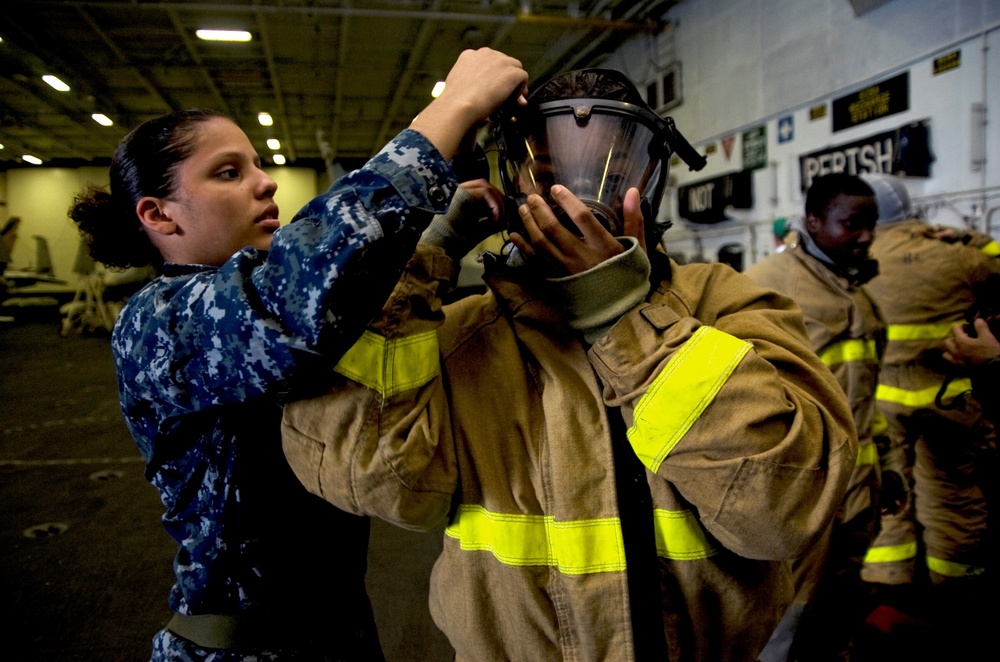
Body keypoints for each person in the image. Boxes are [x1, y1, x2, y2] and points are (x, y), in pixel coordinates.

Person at [281, 69, 858, 661]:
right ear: (512, 185)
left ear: (651, 181)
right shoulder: (462, 337)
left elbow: (785, 510)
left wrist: (624, 316)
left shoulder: (728, 304)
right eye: (552, 178)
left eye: (612, 173)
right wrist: (418, 258)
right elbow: (369, 480)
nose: (580, 202)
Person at [67, 48, 528, 661]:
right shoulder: (158, 322)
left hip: (336, 637)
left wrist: (438, 236)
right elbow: (293, 309)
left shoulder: (263, 298)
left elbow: (342, 311)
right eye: (228, 172)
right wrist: (449, 110)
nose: (265, 181)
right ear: (158, 215)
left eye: (256, 164)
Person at [745, 173, 888, 661]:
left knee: (841, 601)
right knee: (789, 608)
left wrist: (884, 466)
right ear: (813, 222)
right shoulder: (768, 287)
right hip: (803, 490)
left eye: (871, 224)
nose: (866, 236)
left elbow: (869, 392)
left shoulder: (857, 292)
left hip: (859, 485)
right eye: (852, 224)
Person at [859, 172, 999, 655]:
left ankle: (892, 586)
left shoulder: (857, 262)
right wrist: (970, 236)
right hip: (950, 396)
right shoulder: (958, 257)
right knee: (953, 491)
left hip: (883, 401)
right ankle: (956, 589)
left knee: (887, 492)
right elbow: (996, 266)